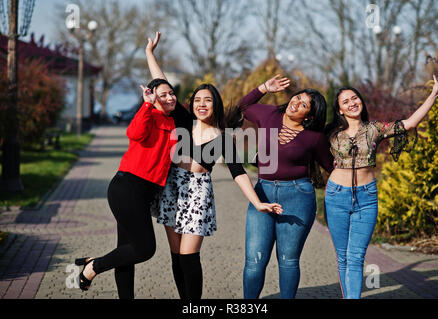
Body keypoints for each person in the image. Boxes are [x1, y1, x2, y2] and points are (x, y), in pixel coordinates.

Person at [145, 32, 283, 299]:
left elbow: (239, 173)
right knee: (176, 257)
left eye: (207, 100)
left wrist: (257, 202)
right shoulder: (183, 120)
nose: (201, 104)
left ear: (215, 104)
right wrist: (150, 53)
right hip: (172, 189)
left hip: (197, 194)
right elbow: (161, 85)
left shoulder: (222, 137)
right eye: (197, 100)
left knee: (189, 256)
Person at [74, 55, 192, 298]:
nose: (170, 97)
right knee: (145, 248)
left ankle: (109, 280)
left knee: (126, 251)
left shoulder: (173, 121)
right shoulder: (150, 114)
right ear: (153, 98)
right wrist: (147, 105)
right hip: (127, 188)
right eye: (164, 94)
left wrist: (152, 53)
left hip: (143, 193)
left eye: (172, 93)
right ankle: (93, 266)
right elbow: (134, 132)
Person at [323, 75, 438, 299]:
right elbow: (301, 138)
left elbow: (410, 124)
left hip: (366, 197)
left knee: (357, 256)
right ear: (339, 110)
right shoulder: (330, 133)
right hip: (336, 196)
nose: (352, 103)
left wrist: (433, 94)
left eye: (355, 98)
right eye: (346, 101)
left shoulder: (375, 129)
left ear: (361, 101)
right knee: (343, 257)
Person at [236, 75, 334, 299]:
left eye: (303, 104)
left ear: (309, 116)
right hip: (262, 192)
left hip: (297, 196)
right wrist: (264, 88)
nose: (295, 102)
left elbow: (331, 167)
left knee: (288, 260)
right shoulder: (270, 115)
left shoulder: (314, 137)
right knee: (254, 260)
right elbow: (244, 106)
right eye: (297, 97)